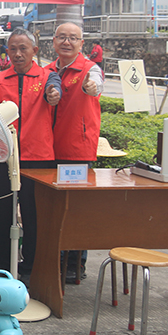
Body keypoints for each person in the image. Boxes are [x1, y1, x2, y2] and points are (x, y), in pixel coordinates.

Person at [0, 28, 62, 280]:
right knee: (3, 215)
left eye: (23, 48)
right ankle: (3, 267)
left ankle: (32, 268)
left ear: (35, 51)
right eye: (13, 49)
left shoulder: (48, 76)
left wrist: (54, 95)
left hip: (38, 159)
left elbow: (55, 91)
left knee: (34, 217)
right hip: (5, 158)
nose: (18, 54)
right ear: (7, 52)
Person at [47, 22, 103, 281]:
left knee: (75, 210)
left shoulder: (90, 69)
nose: (67, 42)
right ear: (54, 41)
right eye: (62, 37)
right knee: (52, 208)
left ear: (82, 43)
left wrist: (93, 87)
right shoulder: (48, 70)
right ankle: (54, 259)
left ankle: (75, 263)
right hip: (47, 150)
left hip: (76, 151)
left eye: (73, 38)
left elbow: (97, 84)